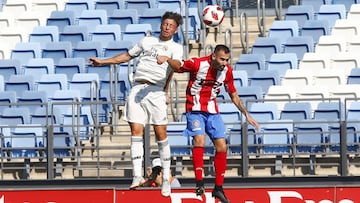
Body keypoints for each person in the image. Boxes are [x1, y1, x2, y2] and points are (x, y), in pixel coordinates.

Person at [88, 11, 184, 197]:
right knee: (135, 131)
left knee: (160, 133)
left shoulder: (175, 47)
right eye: (164, 24)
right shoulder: (146, 41)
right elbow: (126, 56)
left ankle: (165, 178)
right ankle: (137, 175)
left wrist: (167, 61)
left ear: (175, 29)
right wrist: (102, 62)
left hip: (155, 91)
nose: (166, 27)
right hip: (138, 88)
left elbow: (178, 66)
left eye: (170, 25)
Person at [159, 44, 260, 203]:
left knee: (222, 146)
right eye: (222, 59)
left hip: (213, 111)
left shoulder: (227, 71)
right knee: (200, 140)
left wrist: (246, 114)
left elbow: (233, 95)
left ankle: (218, 188)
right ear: (213, 56)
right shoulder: (197, 64)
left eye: (227, 59)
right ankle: (199, 182)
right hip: (195, 109)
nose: (224, 63)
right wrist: (167, 59)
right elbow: (178, 67)